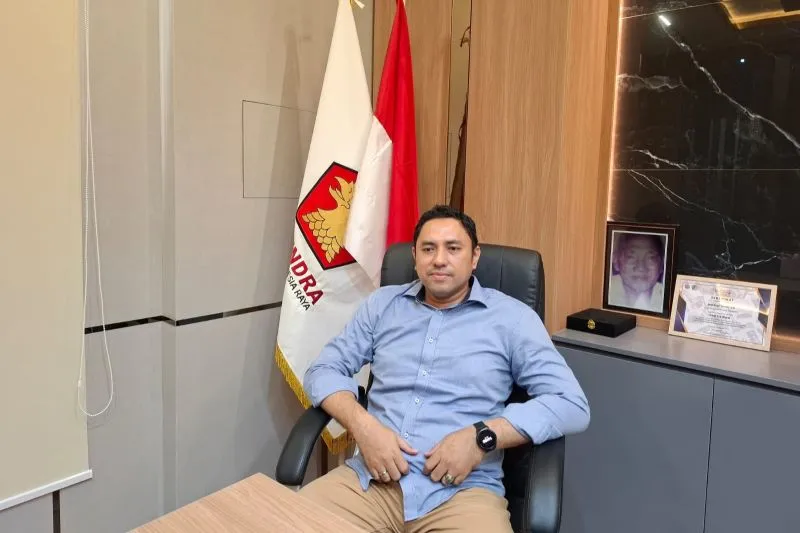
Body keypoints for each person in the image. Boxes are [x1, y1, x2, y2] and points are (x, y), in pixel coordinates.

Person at [300, 205, 590, 533]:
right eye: (428, 249)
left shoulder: (513, 319)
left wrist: (482, 436)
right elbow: (322, 369)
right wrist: (363, 426)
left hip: (462, 493)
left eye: (453, 248)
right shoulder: (382, 305)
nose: (439, 259)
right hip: (371, 482)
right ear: (415, 256)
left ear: (474, 256)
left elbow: (571, 403)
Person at [607, 232, 666, 313]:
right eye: (631, 257)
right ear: (616, 261)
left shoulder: (671, 301)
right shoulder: (600, 294)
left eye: (651, 258)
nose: (641, 267)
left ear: (662, 264)